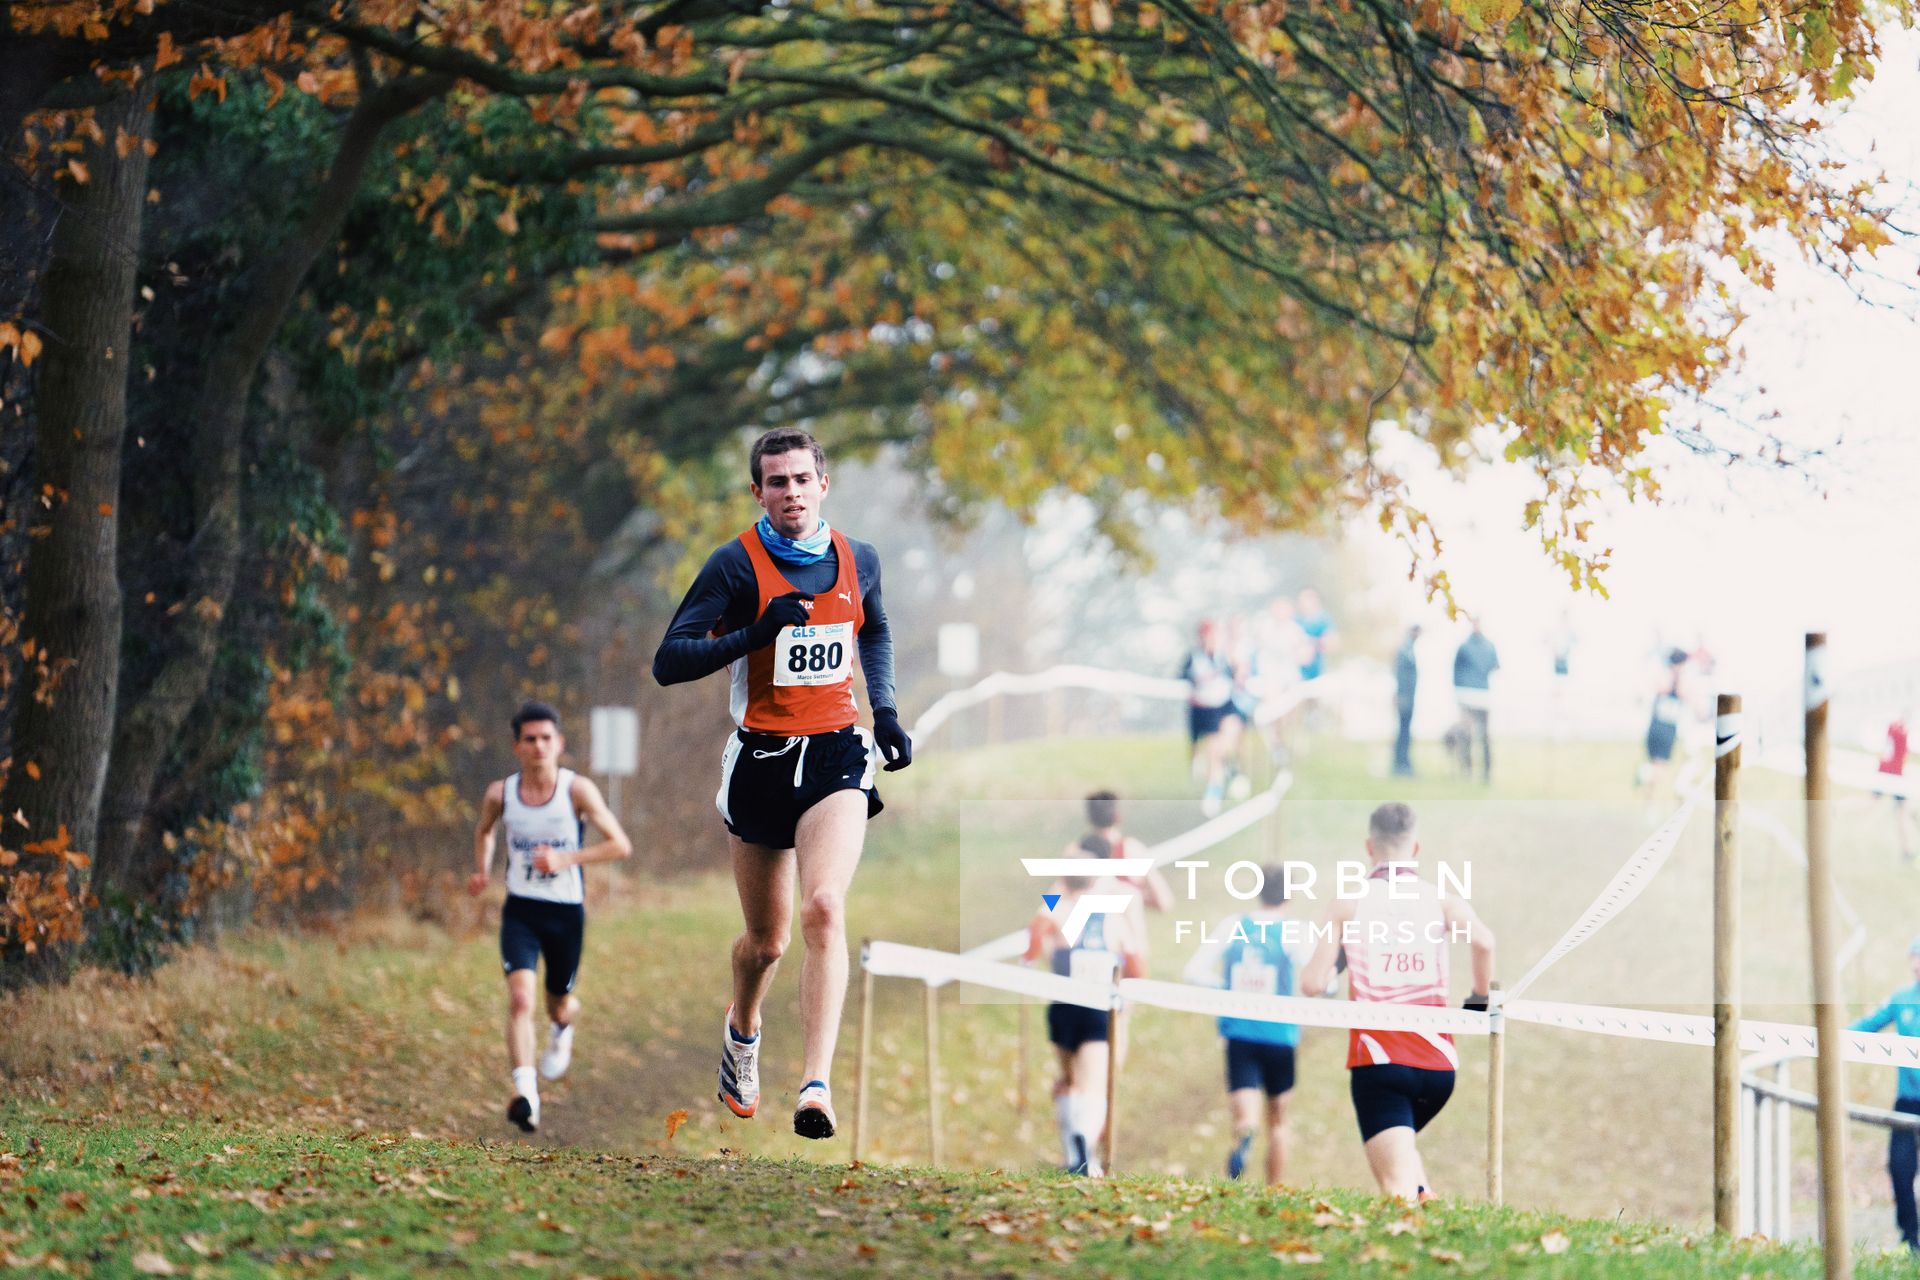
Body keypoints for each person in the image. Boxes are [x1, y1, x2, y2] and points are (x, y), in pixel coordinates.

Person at [652, 427, 913, 1140]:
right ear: (758, 491)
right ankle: (743, 1030)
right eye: (777, 482)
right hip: (761, 763)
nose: (791, 492)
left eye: (802, 479)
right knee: (765, 944)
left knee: (824, 908)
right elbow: (668, 662)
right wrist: (752, 634)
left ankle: (815, 1087)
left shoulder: (858, 557)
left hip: (835, 753)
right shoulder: (734, 566)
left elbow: (876, 627)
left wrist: (884, 710)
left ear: (823, 484)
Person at [1299, 803, 1495, 1201]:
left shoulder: (1349, 904)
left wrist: (1342, 959)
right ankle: (1426, 1206)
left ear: (1369, 847)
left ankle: (1408, 1248)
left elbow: (1312, 983)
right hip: (1438, 1068)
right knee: (1406, 1164)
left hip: (1380, 1064)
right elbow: (1484, 942)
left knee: (1395, 1186)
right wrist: (1477, 1000)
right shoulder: (1441, 900)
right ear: (1416, 847)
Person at [469, 701, 633, 1133]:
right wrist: (483, 869)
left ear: (559, 744)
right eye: (530, 739)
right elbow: (485, 831)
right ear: (516, 746)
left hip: (565, 914)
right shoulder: (500, 793)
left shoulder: (576, 790)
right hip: (521, 911)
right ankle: (526, 1094)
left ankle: (563, 1028)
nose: (539, 746)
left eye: (546, 738)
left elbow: (619, 845)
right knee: (520, 999)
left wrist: (566, 859)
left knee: (557, 1005)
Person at [1182, 865, 1312, 1184]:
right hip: (1280, 1034)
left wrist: (1225, 989)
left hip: (1239, 1031)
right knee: (1279, 1122)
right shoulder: (1293, 931)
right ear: (1289, 894)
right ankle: (1274, 1190)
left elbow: (1193, 970)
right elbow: (1316, 978)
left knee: (1245, 1117)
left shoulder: (1233, 925)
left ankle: (1244, 1142)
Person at [1025, 848, 1146, 1177]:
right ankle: (1085, 1149)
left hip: (1063, 1007)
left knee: (1069, 1081)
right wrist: (1127, 1000)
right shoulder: (1111, 915)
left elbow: (1032, 944)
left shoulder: (1057, 908)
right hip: (1098, 1009)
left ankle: (1073, 1154)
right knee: (1094, 1087)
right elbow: (1136, 965)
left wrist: (1056, 892)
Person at [1850, 936, 1920, 1253]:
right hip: (1906, 1102)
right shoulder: (1901, 999)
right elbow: (1868, 1025)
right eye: (1914, 957)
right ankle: (1910, 1239)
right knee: (1900, 1168)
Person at [1181, 619, 1240, 816]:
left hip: (1225, 704)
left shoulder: (1224, 657)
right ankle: (1214, 790)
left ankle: (1227, 771)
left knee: (1227, 741)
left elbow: (1235, 677)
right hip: (1205, 709)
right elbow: (1183, 678)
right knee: (1210, 750)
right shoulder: (1193, 657)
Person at [1638, 649, 1689, 809]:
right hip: (1662, 727)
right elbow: (1674, 692)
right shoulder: (1669, 676)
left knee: (1658, 767)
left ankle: (1650, 799)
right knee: (1660, 768)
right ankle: (1650, 795)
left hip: (1665, 727)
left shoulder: (1670, 676)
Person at [1450, 620, 1499, 784]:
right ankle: (1467, 770)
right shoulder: (1464, 646)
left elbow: (1495, 665)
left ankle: (1486, 773)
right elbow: (1455, 670)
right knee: (1467, 735)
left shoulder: (1488, 646)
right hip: (1467, 695)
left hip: (1482, 696)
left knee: (1483, 736)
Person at [1877, 712, 1914, 865]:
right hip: (1893, 776)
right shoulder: (1902, 732)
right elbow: (1905, 754)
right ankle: (1906, 850)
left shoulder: (1892, 728)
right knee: (1903, 813)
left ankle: (1906, 850)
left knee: (1903, 811)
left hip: (1887, 772)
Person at [1392, 625, 1420, 778]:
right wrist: (1400, 696)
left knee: (1405, 732)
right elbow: (1400, 675)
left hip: (1409, 698)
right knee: (1403, 733)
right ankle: (1400, 765)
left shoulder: (1409, 649)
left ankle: (1404, 763)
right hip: (1405, 698)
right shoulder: (1404, 650)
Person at [1295, 588, 1337, 684]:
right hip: (1296, 672)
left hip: (1319, 669)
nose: (1307, 602)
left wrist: (1313, 643)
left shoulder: (1323, 619)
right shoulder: (1295, 619)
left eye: (1310, 598)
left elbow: (1331, 643)